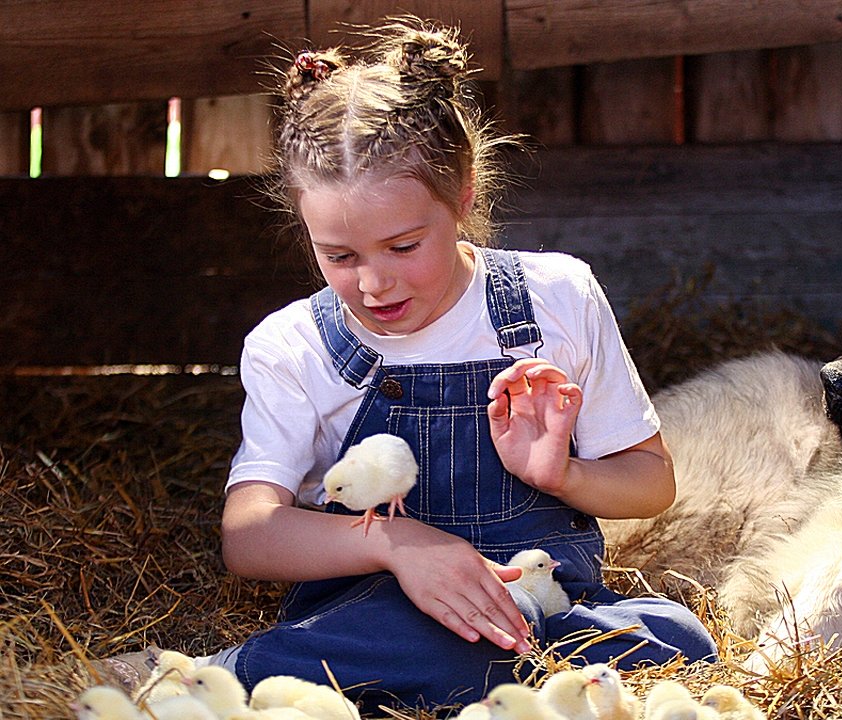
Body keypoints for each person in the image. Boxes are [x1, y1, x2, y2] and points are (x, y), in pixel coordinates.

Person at [212, 15, 716, 710]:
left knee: (680, 639)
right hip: (377, 603)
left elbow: (650, 483)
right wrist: (400, 544)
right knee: (450, 645)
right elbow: (249, 535)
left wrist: (561, 473)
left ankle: (422, 670)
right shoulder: (292, 344)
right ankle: (238, 669)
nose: (373, 284)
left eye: (404, 246)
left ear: (465, 195)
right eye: (339, 256)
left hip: (540, 597)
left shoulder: (555, 299)